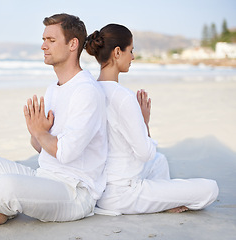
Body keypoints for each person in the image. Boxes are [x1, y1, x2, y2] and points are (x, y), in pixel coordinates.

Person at [0, 13, 107, 231]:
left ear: (73, 44)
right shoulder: (54, 88)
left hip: (74, 192)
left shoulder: (87, 91)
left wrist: (40, 133)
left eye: (51, 40)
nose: (43, 46)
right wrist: (37, 133)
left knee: (7, 185)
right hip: (43, 177)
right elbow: (40, 148)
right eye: (43, 39)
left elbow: (66, 153)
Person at [84, 24, 219, 215]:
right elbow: (144, 153)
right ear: (117, 52)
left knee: (159, 160)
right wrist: (143, 122)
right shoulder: (123, 97)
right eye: (130, 50)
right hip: (124, 195)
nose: (133, 57)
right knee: (210, 189)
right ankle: (160, 202)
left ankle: (162, 201)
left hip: (101, 190)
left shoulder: (91, 90)